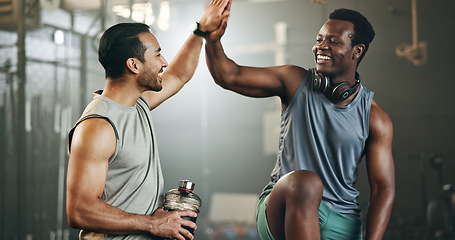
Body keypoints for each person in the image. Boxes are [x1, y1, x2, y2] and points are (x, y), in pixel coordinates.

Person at [205, 7, 394, 240]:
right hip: (282, 207)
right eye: (319, 39)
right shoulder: (294, 81)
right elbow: (229, 75)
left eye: (333, 41)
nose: (320, 46)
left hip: (342, 221)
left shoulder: (375, 117)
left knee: (308, 184)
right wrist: (212, 40)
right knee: (305, 182)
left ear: (357, 51)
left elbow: (383, 188)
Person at [66, 0, 231, 239]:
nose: (164, 62)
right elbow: (80, 211)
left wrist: (201, 30)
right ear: (133, 65)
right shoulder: (98, 126)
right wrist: (153, 224)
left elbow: (179, 74)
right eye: (157, 54)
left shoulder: (138, 104)